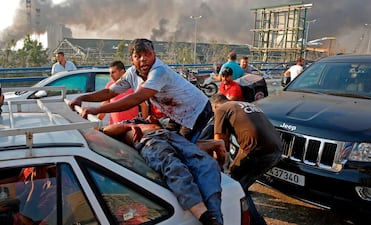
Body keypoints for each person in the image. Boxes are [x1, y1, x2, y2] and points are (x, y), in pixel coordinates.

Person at [69, 38, 212, 143]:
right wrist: (82, 98)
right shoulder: (132, 73)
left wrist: (97, 110)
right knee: (170, 143)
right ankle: (214, 144)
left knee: (182, 148)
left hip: (196, 110)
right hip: (177, 113)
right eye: (138, 56)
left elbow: (136, 98)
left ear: (154, 55)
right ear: (131, 60)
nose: (143, 59)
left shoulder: (158, 71)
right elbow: (109, 92)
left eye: (148, 54)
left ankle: (211, 151)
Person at [102, 121, 224, 225]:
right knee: (174, 168)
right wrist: (129, 126)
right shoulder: (125, 125)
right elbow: (106, 130)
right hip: (150, 140)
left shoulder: (147, 119)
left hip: (172, 137)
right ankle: (204, 216)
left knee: (207, 164)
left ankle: (216, 218)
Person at [210, 93, 283, 225]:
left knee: (236, 186)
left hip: (258, 152)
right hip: (277, 149)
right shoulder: (245, 105)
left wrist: (217, 169)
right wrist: (234, 164)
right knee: (241, 178)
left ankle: (257, 222)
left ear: (215, 106)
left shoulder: (221, 109)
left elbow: (220, 145)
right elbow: (249, 136)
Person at [97, 60, 142, 125]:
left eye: (113, 72)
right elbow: (105, 104)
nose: (111, 75)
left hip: (132, 127)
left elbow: (144, 105)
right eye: (110, 73)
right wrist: (96, 122)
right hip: (115, 127)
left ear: (122, 72)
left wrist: (144, 123)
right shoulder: (109, 86)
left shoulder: (134, 84)